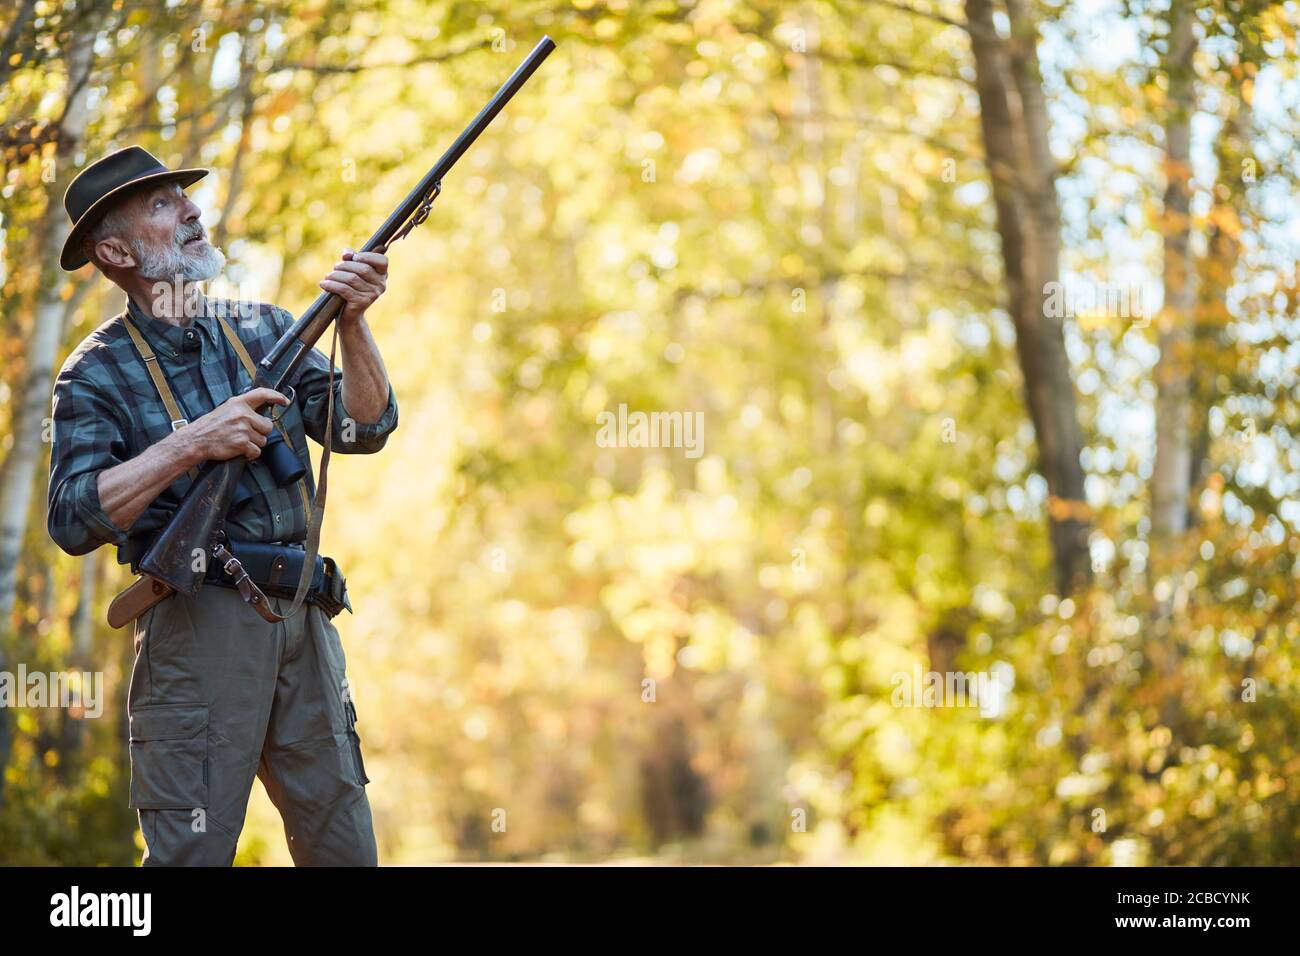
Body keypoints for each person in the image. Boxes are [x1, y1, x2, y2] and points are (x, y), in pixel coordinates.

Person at [46, 145, 398, 866]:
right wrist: (192, 443)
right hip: (197, 626)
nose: (192, 210)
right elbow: (73, 517)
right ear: (113, 251)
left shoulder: (267, 328)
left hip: (304, 617)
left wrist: (354, 323)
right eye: (161, 205)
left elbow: (364, 427)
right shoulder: (94, 373)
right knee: (190, 855)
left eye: (183, 196)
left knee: (345, 851)